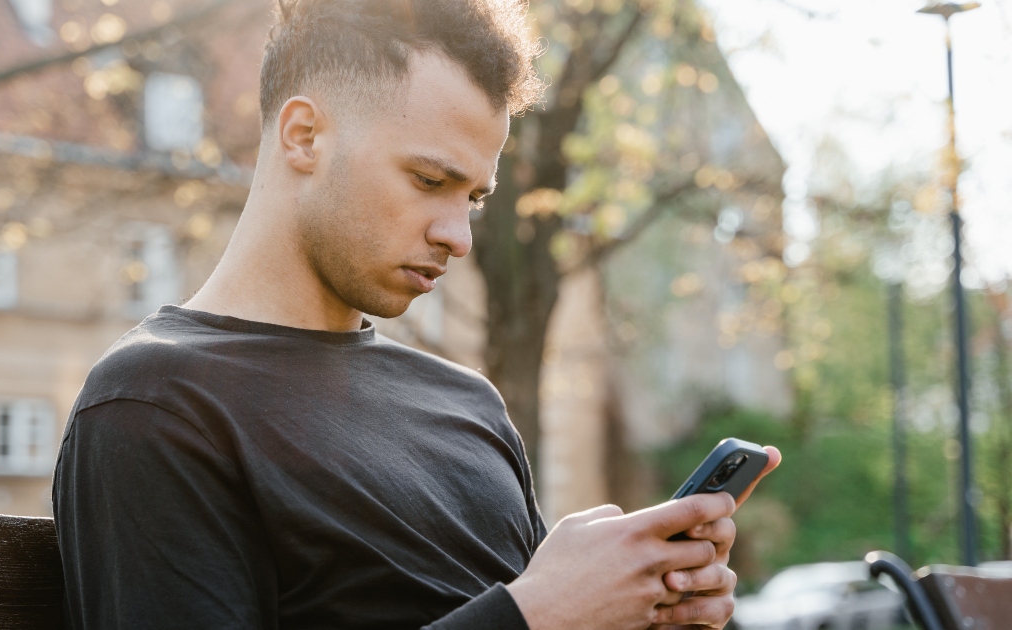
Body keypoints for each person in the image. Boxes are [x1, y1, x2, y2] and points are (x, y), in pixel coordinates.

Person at [52, 0, 781, 626]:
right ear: (304, 136)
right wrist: (539, 616)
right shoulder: (156, 404)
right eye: (429, 179)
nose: (457, 237)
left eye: (473, 197)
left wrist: (635, 615)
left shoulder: (469, 406)